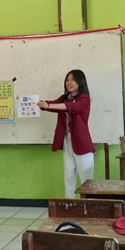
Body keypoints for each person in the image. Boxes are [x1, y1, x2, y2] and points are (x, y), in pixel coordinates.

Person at [38, 70, 95, 198]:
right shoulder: (65, 98)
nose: (69, 83)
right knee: (69, 176)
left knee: (87, 180)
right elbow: (54, 105)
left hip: (81, 143)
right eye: (67, 80)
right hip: (67, 141)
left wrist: (48, 105)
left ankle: (88, 206)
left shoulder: (84, 98)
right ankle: (69, 204)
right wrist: (43, 104)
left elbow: (70, 107)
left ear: (80, 82)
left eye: (72, 80)